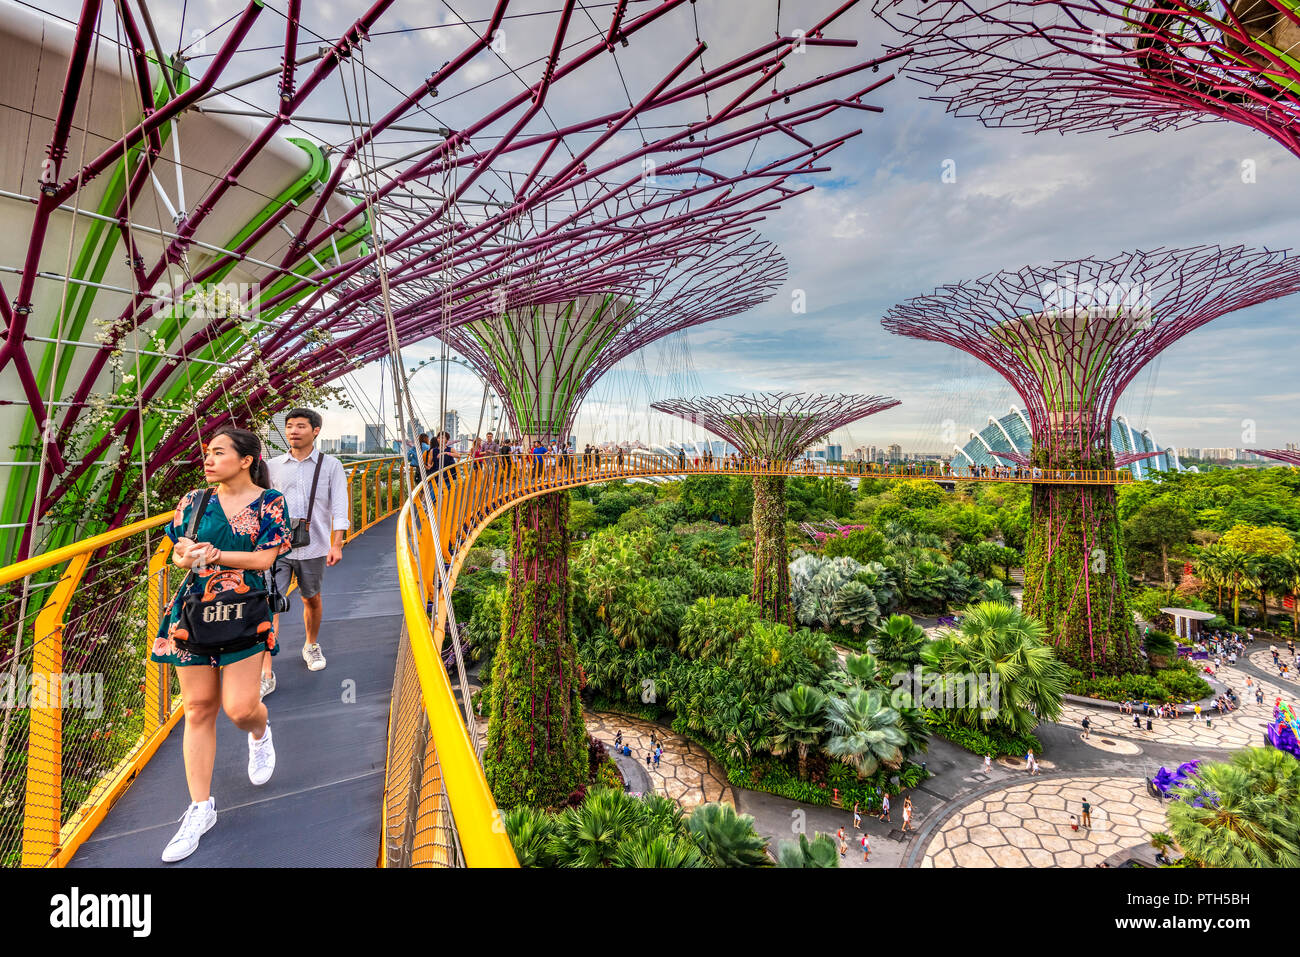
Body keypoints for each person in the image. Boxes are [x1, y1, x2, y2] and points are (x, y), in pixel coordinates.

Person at [151, 427, 292, 862]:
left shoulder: (271, 503)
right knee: (197, 708)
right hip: (193, 612)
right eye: (207, 453)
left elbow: (265, 559)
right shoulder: (193, 501)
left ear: (247, 459)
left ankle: (260, 732)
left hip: (245, 611)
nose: (208, 460)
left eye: (218, 452)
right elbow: (177, 553)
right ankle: (200, 809)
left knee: (240, 708)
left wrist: (214, 555)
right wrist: (188, 556)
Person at [264, 408, 350, 691]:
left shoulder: (331, 465)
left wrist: (336, 543)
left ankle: (311, 645)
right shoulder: (273, 466)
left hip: (315, 545)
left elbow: (339, 506)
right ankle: (266, 672)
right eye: (289, 426)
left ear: (315, 431)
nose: (293, 431)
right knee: (270, 602)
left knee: (311, 599)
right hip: (278, 548)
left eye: (301, 426)